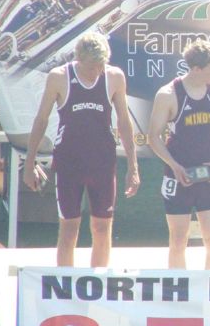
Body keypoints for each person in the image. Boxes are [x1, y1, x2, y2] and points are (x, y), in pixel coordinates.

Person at [23, 32, 140, 267]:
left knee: (102, 226)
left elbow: (124, 123)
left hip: (102, 163)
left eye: (101, 65)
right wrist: (29, 162)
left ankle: (99, 285)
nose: (97, 71)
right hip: (69, 163)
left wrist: (133, 167)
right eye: (92, 67)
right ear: (79, 59)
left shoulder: (114, 77)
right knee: (69, 227)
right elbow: (41, 120)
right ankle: (66, 287)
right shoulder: (59, 77)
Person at [148, 38, 210, 270]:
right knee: (178, 240)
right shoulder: (168, 94)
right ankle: (179, 294)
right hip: (180, 176)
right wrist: (174, 166)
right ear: (196, 69)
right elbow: (153, 137)